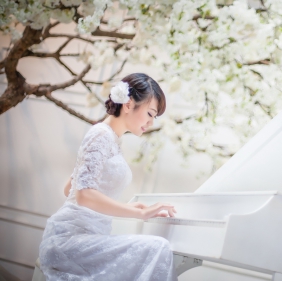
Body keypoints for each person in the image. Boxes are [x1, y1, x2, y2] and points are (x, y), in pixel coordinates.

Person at [39, 73, 178, 281]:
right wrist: (138, 214)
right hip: (70, 241)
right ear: (129, 104)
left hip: (88, 237)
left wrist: (134, 208)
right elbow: (83, 195)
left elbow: (70, 189)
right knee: (158, 247)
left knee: (150, 251)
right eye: (150, 113)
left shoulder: (110, 139)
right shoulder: (101, 134)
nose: (150, 122)